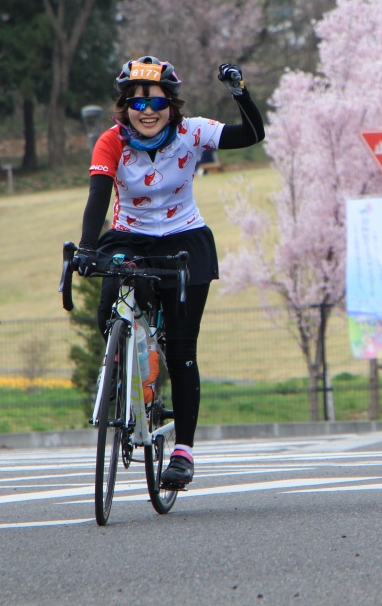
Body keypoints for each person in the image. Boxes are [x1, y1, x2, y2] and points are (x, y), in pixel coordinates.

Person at [74, 55, 264, 488]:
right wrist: (87, 249)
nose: (147, 112)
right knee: (109, 309)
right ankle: (128, 368)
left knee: (182, 348)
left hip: (184, 238)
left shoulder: (191, 132)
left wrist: (239, 93)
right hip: (130, 236)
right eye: (137, 104)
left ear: (171, 105)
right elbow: (98, 197)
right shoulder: (111, 142)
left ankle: (183, 451)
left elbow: (253, 135)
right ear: (125, 107)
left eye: (156, 102)